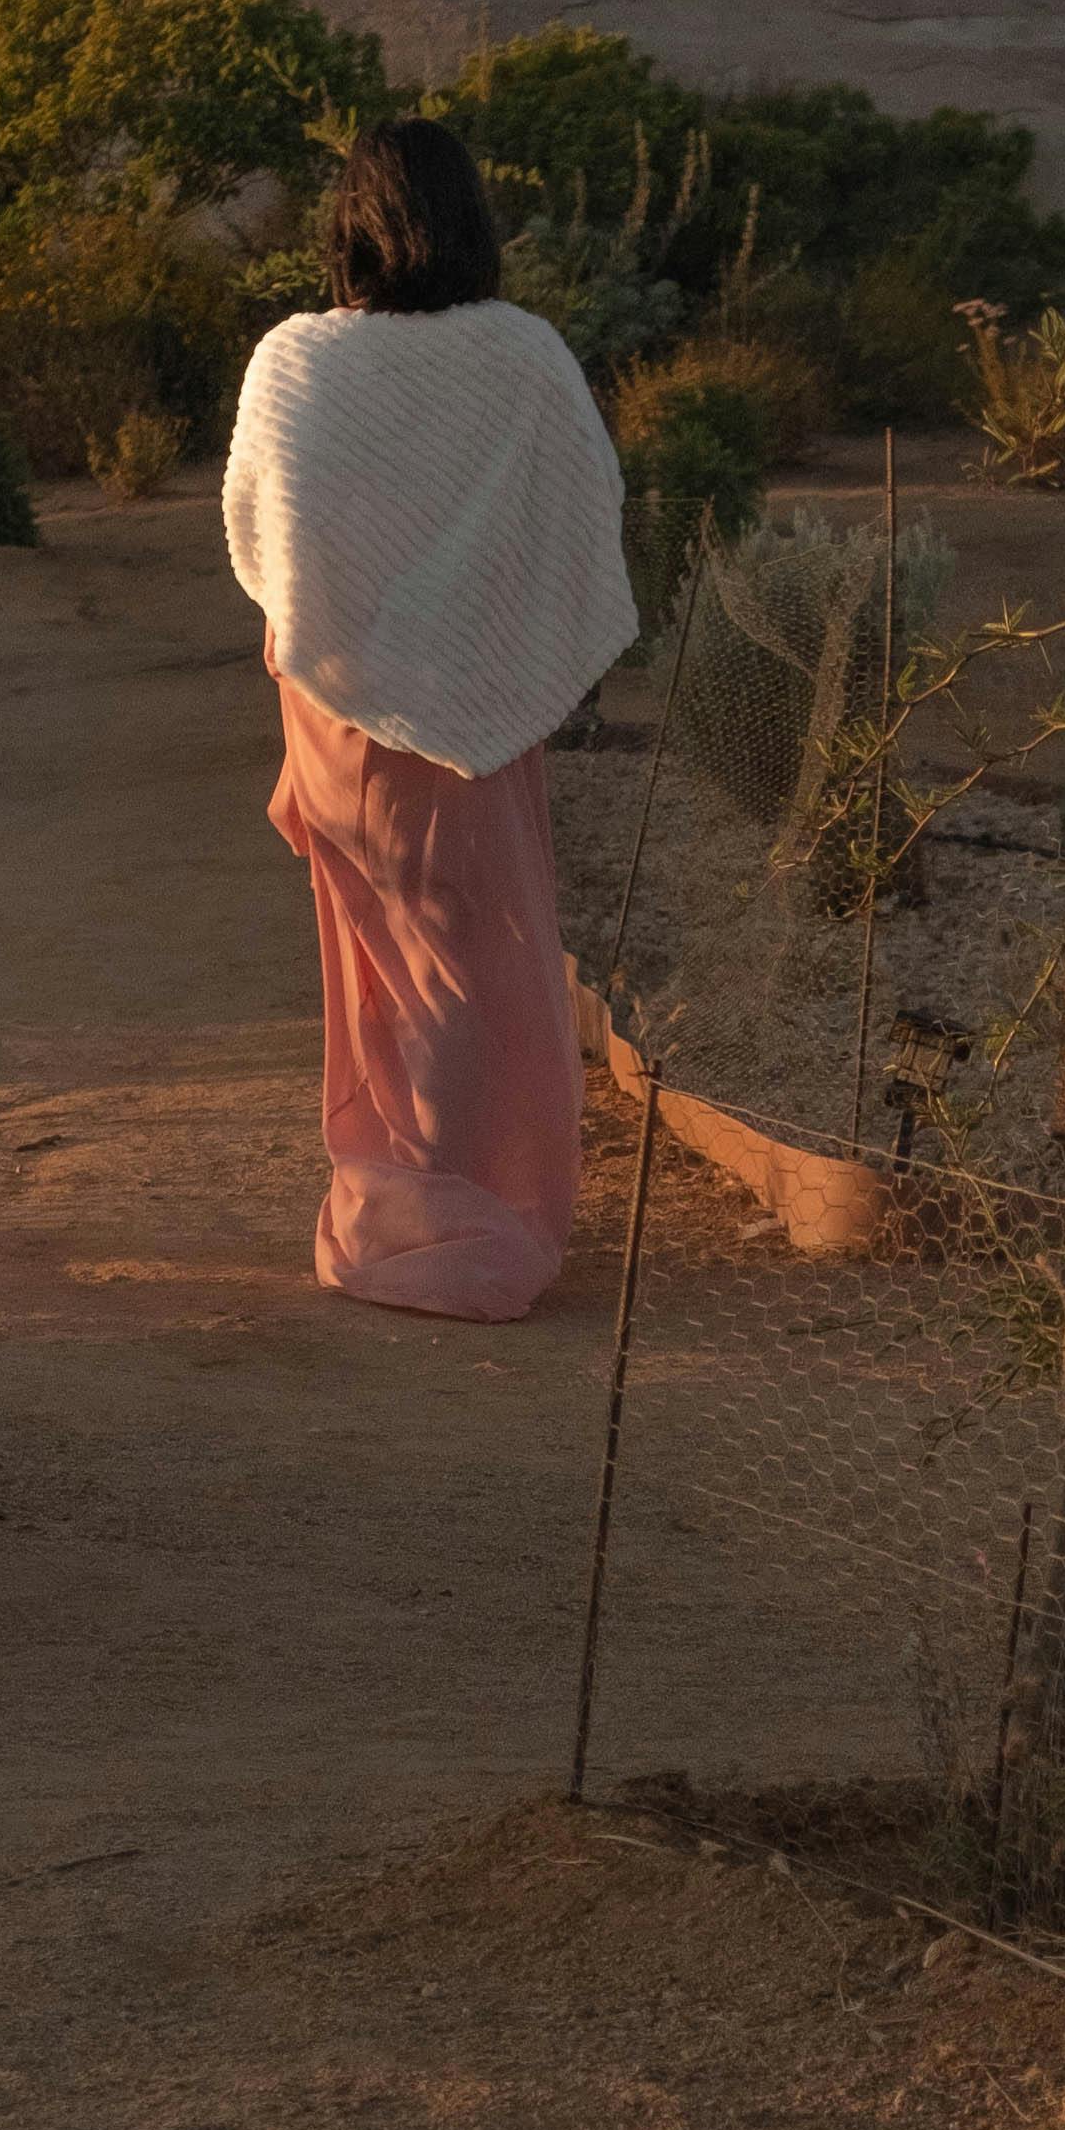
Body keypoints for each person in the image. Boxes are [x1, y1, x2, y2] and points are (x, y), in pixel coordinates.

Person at [223, 117, 637, 1320]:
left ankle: (407, 1202)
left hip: (343, 714)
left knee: (381, 957)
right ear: (470, 219)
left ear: (350, 221)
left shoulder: (295, 359)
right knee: (478, 954)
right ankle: (468, 1212)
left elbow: (263, 539)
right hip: (488, 704)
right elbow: (580, 509)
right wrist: (494, 640)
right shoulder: (526, 357)